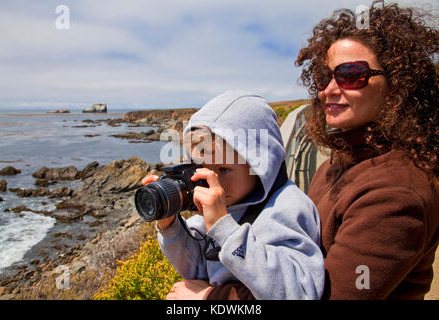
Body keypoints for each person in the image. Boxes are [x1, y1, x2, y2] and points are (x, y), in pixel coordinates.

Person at [182, 1, 438, 299]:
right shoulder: (342, 160)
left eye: (351, 74)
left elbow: (330, 296)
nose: (328, 89)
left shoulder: (397, 194)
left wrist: (210, 299)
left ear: (398, 83)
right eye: (324, 76)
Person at [141, 91, 324, 299]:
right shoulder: (229, 203)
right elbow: (195, 269)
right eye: (201, 167)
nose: (211, 179)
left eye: (224, 169)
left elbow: (300, 292)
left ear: (260, 164)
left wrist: (225, 229)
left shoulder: (287, 209)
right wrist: (170, 225)